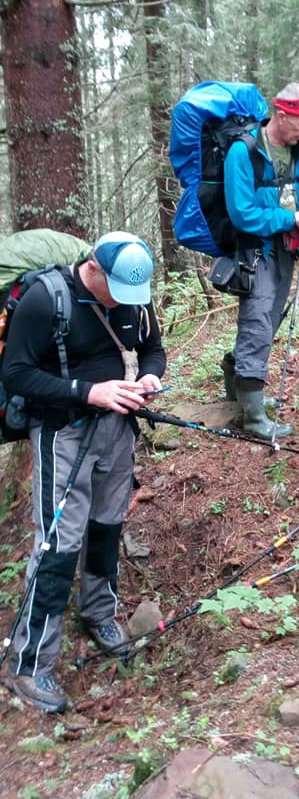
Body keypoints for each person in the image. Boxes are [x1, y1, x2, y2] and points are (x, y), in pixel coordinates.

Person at [1, 231, 167, 713]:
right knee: (57, 546)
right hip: (64, 432)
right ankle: (29, 664)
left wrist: (150, 375)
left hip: (118, 429)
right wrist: (87, 392)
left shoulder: (134, 297)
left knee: (106, 527)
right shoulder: (45, 299)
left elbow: (153, 347)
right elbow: (15, 373)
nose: (126, 303)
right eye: (116, 290)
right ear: (93, 268)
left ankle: (98, 612)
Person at [220, 82, 299, 440]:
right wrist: (291, 219)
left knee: (266, 324)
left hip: (287, 252)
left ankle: (241, 392)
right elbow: (242, 213)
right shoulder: (244, 152)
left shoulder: (298, 154)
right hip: (256, 255)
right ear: (281, 116)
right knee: (257, 326)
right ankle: (254, 418)